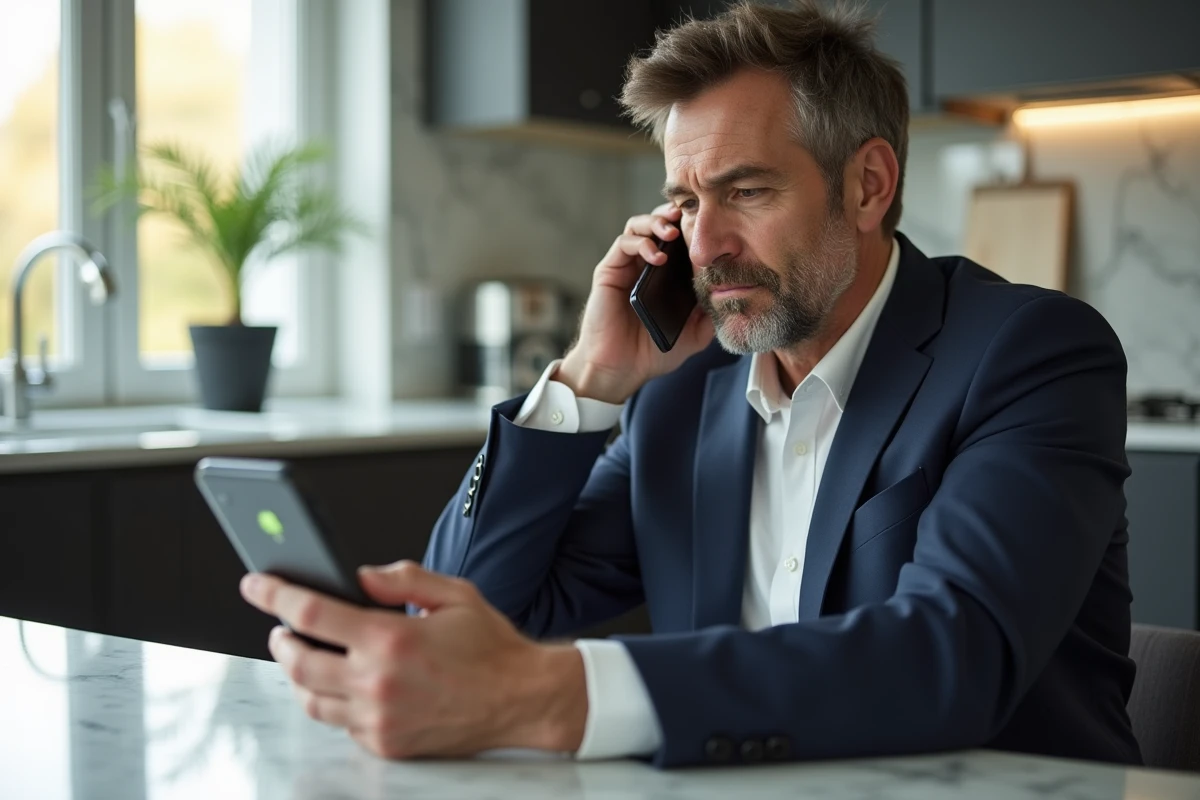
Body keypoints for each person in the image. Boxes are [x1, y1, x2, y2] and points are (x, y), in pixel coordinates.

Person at [240, 0, 1143, 768]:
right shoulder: (682, 391)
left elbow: (951, 657)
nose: (704, 245)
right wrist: (590, 380)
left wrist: (562, 695)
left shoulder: (1027, 354)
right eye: (684, 201)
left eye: (746, 192)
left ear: (868, 185)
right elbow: (470, 609)